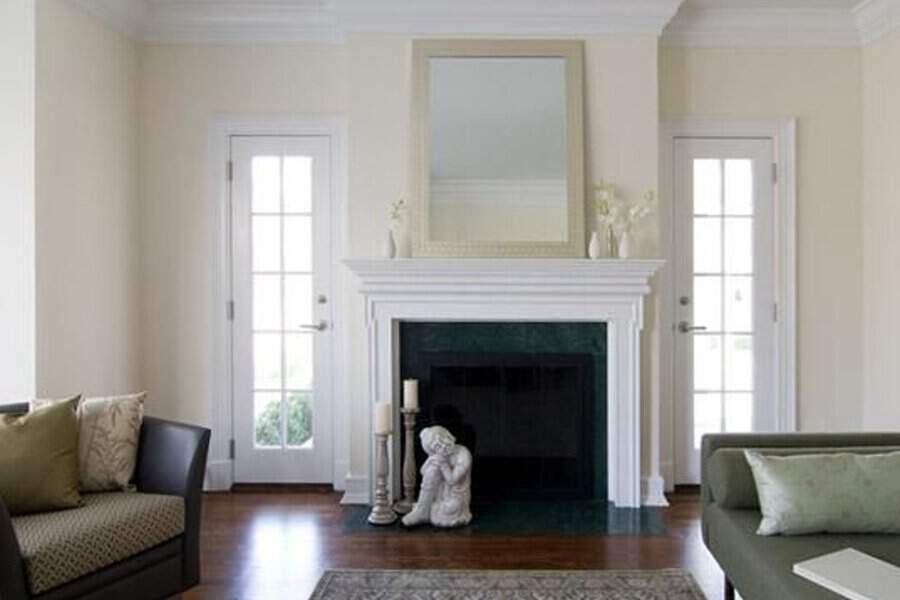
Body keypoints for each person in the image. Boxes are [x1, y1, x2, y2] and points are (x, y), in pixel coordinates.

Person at [402, 425, 472, 527]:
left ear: (447, 436)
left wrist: (443, 464)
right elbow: (423, 472)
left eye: (442, 441)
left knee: (447, 509)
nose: (443, 447)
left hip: (455, 497)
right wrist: (430, 460)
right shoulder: (441, 454)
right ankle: (422, 510)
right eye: (437, 447)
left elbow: (452, 481)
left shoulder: (463, 454)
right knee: (432, 469)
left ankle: (429, 510)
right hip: (440, 493)